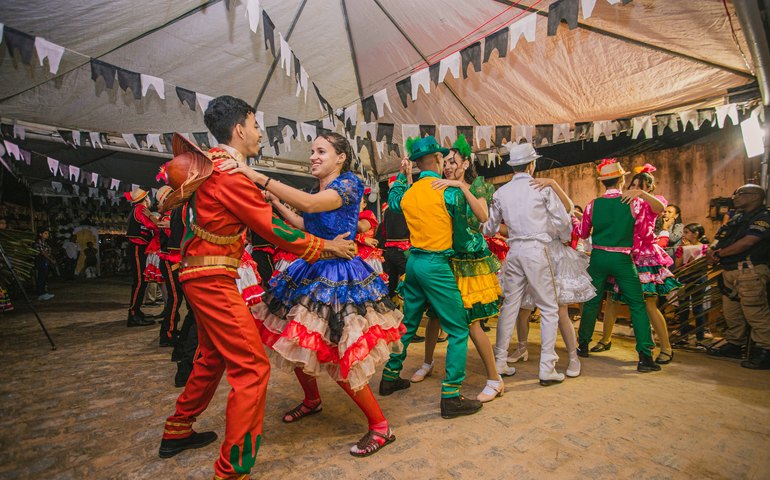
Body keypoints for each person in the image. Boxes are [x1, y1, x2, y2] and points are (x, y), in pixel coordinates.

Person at [157, 96, 356, 480]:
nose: (260, 133)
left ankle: (178, 429)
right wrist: (326, 247)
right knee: (251, 368)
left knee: (212, 356)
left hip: (202, 274)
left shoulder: (211, 167)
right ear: (239, 129)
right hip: (213, 278)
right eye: (255, 125)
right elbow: (272, 228)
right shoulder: (229, 175)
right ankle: (231, 471)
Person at [231, 131, 404, 457]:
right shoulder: (317, 190)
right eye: (312, 151)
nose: (313, 156)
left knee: (339, 355)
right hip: (310, 268)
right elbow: (303, 222)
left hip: (339, 275)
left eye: (321, 151)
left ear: (340, 157)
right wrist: (276, 204)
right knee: (295, 339)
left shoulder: (349, 184)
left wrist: (257, 176)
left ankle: (381, 426)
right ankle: (312, 400)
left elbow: (309, 205)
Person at [380, 135, 483, 418]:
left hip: (413, 263)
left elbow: (393, 200)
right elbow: (467, 230)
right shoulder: (447, 192)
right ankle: (451, 396)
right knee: (458, 329)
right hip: (436, 265)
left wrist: (402, 176)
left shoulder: (409, 192)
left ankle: (389, 376)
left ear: (416, 163)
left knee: (409, 323)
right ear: (438, 159)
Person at [409, 135, 505, 402]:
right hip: (446, 259)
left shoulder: (477, 185)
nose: (449, 166)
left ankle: (494, 379)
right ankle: (427, 363)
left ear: (465, 163)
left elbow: (483, 217)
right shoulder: (440, 187)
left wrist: (460, 185)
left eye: (454, 161)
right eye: (446, 161)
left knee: (470, 321)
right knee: (434, 315)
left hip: (471, 262)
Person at [483, 143, 573, 386]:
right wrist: (565, 238)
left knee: (509, 306)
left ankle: (500, 361)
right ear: (531, 165)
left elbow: (489, 228)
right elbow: (564, 221)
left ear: (513, 167)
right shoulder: (541, 188)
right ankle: (547, 368)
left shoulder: (501, 193)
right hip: (536, 250)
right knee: (549, 308)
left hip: (514, 251)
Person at [573, 158, 660, 372]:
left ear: (603, 182)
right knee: (637, 304)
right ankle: (645, 356)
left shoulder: (593, 205)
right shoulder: (634, 203)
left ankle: (583, 345)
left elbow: (582, 233)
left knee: (592, 301)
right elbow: (647, 229)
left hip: (598, 257)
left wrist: (575, 219)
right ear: (621, 180)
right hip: (622, 258)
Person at [590, 165, 680, 365]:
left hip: (644, 257)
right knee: (612, 300)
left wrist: (641, 194)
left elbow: (660, 208)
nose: (635, 188)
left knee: (648, 303)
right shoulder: (626, 203)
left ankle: (666, 347)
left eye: (641, 185)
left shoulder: (651, 202)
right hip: (625, 255)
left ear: (649, 188)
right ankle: (605, 339)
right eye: (633, 185)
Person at [706, 184, 770, 369]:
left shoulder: (763, 217)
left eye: (740, 194)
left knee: (755, 312)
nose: (735, 197)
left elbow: (748, 242)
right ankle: (734, 344)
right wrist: (711, 250)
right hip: (730, 270)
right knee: (732, 312)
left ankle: (765, 349)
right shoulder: (737, 217)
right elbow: (720, 236)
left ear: (755, 197)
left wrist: (720, 254)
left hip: (749, 270)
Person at [672, 223, 710, 348]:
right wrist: (685, 251)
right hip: (684, 279)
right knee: (683, 309)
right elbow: (678, 265)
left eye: (687, 232)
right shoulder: (681, 248)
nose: (684, 235)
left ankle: (700, 338)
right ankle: (683, 337)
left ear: (696, 234)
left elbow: (703, 264)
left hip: (699, 279)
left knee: (698, 309)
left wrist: (691, 254)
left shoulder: (705, 248)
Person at [124, 187, 155, 327]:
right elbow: (151, 225)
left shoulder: (137, 209)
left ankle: (136, 311)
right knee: (140, 281)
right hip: (137, 247)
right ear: (145, 198)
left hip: (138, 247)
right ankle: (133, 314)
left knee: (141, 281)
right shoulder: (141, 209)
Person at [356, 187, 388, 283]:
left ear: (364, 204)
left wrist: (347, 214)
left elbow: (362, 228)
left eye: (358, 198)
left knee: (369, 285)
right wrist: (360, 238)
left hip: (366, 257)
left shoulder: (367, 214)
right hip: (349, 254)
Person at [33, 229, 55, 301]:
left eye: (48, 233)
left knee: (44, 277)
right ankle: (40, 294)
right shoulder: (38, 242)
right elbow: (43, 253)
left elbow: (48, 252)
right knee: (41, 277)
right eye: (45, 233)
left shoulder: (45, 242)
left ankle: (44, 293)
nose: (47, 235)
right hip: (41, 260)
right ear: (40, 234)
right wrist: (51, 260)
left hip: (45, 260)